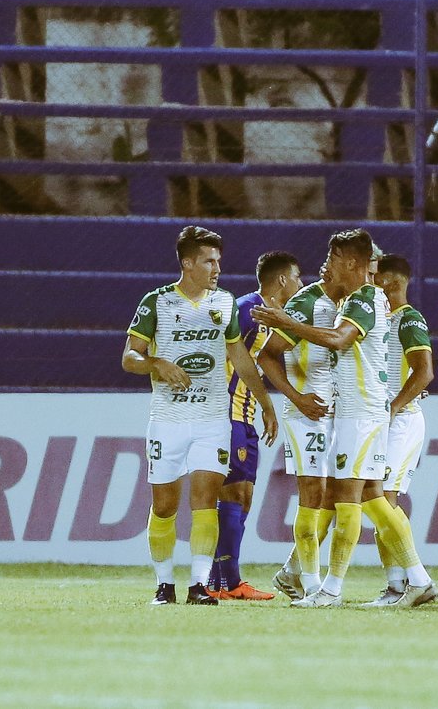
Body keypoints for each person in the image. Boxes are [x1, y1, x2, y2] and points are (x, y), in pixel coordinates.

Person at [254, 229, 437, 608]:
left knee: (346, 499)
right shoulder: (358, 298)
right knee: (370, 497)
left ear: (350, 262)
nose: (326, 264)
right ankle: (418, 580)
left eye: (333, 257)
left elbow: (339, 340)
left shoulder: (366, 298)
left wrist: (287, 323)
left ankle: (331, 589)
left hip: (361, 413)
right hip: (357, 412)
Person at [123, 225, 279, 606]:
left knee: (205, 501)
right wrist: (156, 363)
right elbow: (129, 358)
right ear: (188, 263)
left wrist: (266, 402)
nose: (216, 268)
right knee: (164, 505)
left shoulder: (223, 303)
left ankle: (198, 585)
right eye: (209, 261)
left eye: (219, 261)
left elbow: (239, 358)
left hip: (212, 420)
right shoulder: (156, 302)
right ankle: (164, 585)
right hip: (167, 420)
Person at [206, 251, 302, 601]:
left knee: (242, 496)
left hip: (244, 414)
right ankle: (225, 582)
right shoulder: (247, 309)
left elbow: (274, 350)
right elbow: (231, 353)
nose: (300, 284)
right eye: (297, 277)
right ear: (281, 280)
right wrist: (267, 403)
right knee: (232, 493)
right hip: (228, 413)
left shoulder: (266, 318)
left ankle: (221, 581)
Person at [254, 259, 338, 602]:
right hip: (307, 413)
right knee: (313, 495)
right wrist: (297, 398)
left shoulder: (351, 303)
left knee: (335, 497)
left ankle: (292, 571)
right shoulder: (307, 303)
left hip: (339, 414)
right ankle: (313, 585)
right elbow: (267, 355)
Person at [364, 253, 435, 605]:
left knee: (383, 498)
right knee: (377, 498)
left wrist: (393, 407)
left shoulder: (409, 320)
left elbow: (425, 372)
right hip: (384, 420)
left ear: (391, 281)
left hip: (402, 421)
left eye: (375, 277)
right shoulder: (380, 320)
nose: (371, 282)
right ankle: (395, 585)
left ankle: (416, 580)